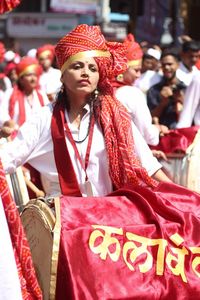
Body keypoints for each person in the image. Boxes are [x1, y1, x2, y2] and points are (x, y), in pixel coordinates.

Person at [0, 24, 170, 197]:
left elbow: (149, 165)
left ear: (99, 77)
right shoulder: (44, 118)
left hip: (106, 215)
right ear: (63, 75)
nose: (85, 73)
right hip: (62, 216)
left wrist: (182, 196)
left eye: (92, 68)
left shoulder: (115, 115)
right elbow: (8, 158)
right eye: (77, 66)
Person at [113, 33, 168, 149]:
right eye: (136, 70)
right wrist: (157, 129)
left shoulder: (104, 90)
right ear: (123, 69)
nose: (139, 75)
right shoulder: (131, 93)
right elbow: (149, 136)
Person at [0, 56, 49, 128]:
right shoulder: (10, 93)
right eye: (29, 75)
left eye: (35, 75)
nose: (33, 78)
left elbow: (48, 115)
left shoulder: (41, 95)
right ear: (21, 79)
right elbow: (2, 113)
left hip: (38, 137)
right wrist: (9, 123)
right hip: (16, 136)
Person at [147, 51, 186, 128]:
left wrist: (181, 99)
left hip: (183, 133)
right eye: (163, 65)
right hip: (163, 134)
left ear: (178, 65)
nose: (166, 67)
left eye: (170, 64)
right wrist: (163, 103)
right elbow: (150, 117)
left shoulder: (186, 89)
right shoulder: (154, 90)